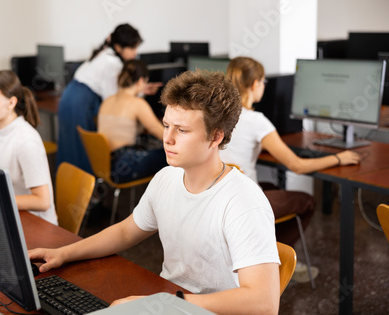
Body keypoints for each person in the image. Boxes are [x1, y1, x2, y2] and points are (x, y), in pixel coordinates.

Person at [30, 70, 281, 314]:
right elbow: (126, 231)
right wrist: (63, 253)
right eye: (166, 125)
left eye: (181, 130)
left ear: (215, 137)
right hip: (169, 301)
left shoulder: (243, 200)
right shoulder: (166, 178)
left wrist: (168, 304)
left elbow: (264, 302)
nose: (168, 138)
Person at [221, 56, 361, 247]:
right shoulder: (256, 121)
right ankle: (274, 256)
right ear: (255, 84)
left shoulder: (220, 115)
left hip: (222, 198)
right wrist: (338, 158)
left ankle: (258, 244)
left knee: (271, 186)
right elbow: (297, 165)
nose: (264, 86)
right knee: (307, 202)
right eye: (263, 82)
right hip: (246, 202)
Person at [56, 23, 161, 174]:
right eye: (132, 48)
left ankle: (72, 188)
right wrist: (139, 98)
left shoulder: (104, 54)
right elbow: (115, 98)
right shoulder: (112, 64)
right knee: (79, 150)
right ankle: (83, 191)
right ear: (118, 47)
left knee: (71, 147)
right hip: (80, 103)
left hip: (70, 97)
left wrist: (140, 90)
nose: (135, 53)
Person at [0, 70, 58, 226]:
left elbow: (42, 201)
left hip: (37, 224)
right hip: (12, 214)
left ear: (11, 103)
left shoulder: (26, 141)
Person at [98, 60, 167, 183]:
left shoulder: (107, 100)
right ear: (141, 81)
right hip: (125, 165)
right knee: (172, 156)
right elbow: (163, 136)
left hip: (105, 163)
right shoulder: (138, 104)